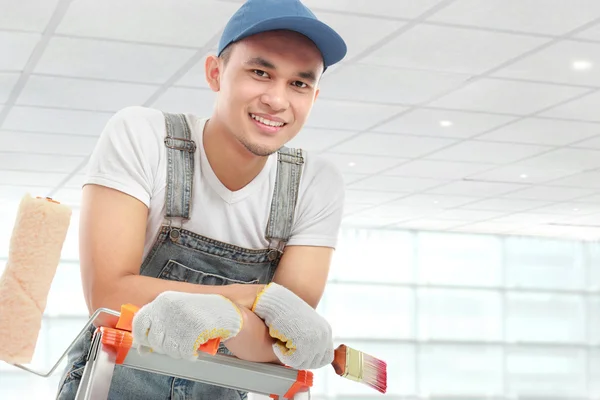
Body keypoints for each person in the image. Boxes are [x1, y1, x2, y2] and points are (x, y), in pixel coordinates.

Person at [56, 0, 347, 398]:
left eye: (299, 83)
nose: (277, 100)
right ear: (215, 73)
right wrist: (253, 298)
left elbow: (280, 347)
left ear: (314, 97)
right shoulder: (143, 136)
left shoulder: (316, 183)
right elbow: (109, 296)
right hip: (112, 384)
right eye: (260, 72)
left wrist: (231, 320)